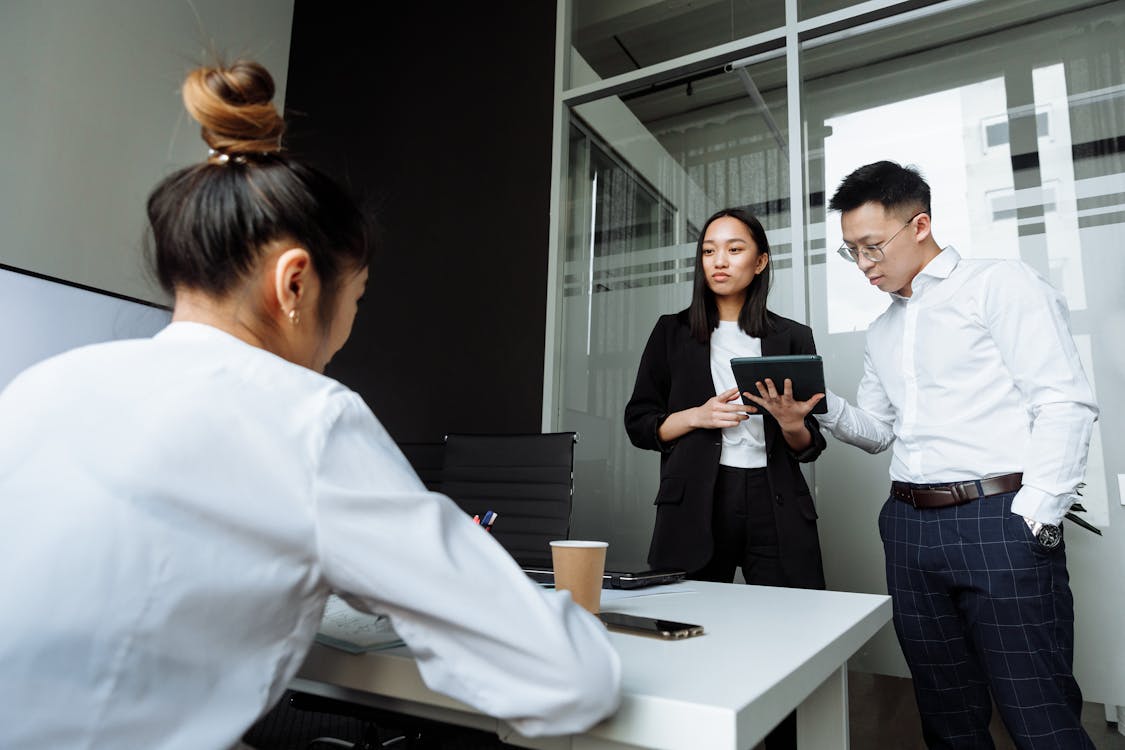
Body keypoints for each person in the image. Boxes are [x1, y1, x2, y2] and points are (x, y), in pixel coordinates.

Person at [0, 60, 620, 749]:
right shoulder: (306, 417)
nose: (346, 334)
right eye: (354, 301)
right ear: (294, 284)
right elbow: (564, 680)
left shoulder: (42, 385)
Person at [819, 160, 1098, 749]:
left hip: (999, 520)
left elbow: (1064, 402)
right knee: (946, 714)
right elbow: (877, 432)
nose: (865, 266)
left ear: (919, 225)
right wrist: (817, 408)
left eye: (872, 247)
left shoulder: (1000, 285)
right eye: (852, 252)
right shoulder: (881, 329)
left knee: (1038, 712)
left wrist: (1036, 519)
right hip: (908, 528)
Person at [624, 207, 827, 750]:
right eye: (710, 249)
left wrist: (791, 425)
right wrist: (696, 416)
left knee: (788, 642)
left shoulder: (791, 336)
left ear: (760, 262)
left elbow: (810, 445)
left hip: (774, 502)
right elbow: (639, 423)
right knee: (685, 639)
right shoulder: (671, 334)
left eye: (735, 249)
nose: (719, 260)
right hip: (696, 504)